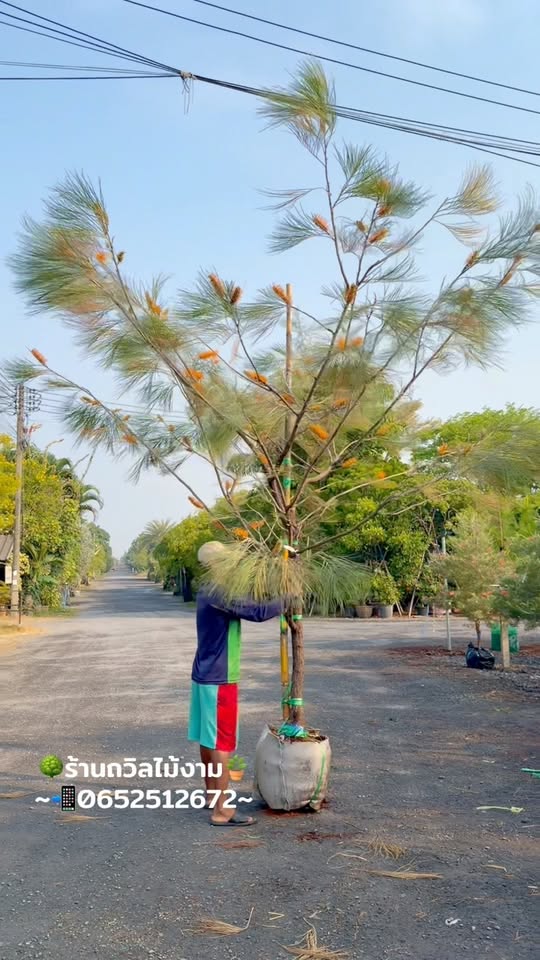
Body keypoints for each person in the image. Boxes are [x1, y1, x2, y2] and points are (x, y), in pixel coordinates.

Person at [188, 541, 282, 826]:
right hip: (220, 678)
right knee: (221, 743)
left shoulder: (208, 588)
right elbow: (258, 612)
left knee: (208, 739)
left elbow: (249, 601)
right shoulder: (220, 591)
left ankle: (211, 795)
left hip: (205, 675)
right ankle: (222, 810)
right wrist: (289, 598)